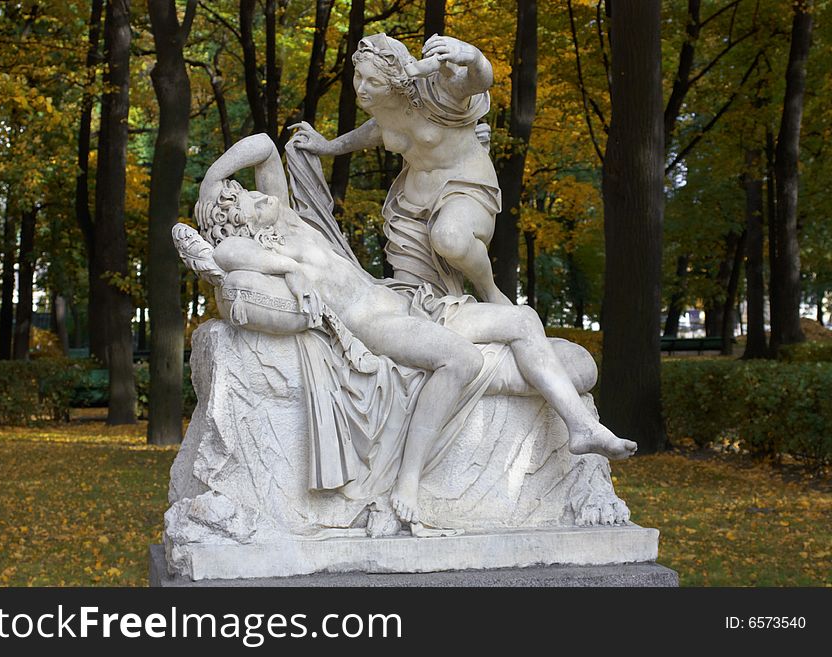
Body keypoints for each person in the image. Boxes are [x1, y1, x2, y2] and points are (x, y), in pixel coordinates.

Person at [185, 133, 636, 526]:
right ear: (235, 221)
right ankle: (408, 482)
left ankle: (582, 428)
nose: (261, 195)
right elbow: (230, 262)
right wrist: (291, 269)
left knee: (522, 319)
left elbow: (263, 146)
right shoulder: (241, 247)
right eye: (245, 198)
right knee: (462, 359)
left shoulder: (285, 217)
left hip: (409, 301)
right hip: (376, 324)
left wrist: (210, 178)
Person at [289, 33, 509, 305]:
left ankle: (490, 292)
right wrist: (328, 147)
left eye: (373, 82)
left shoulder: (438, 91)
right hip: (412, 205)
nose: (361, 88)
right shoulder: (381, 106)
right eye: (359, 77)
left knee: (450, 238)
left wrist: (472, 56)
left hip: (464, 186)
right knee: (413, 299)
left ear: (395, 82)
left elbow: (479, 81)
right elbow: (376, 131)